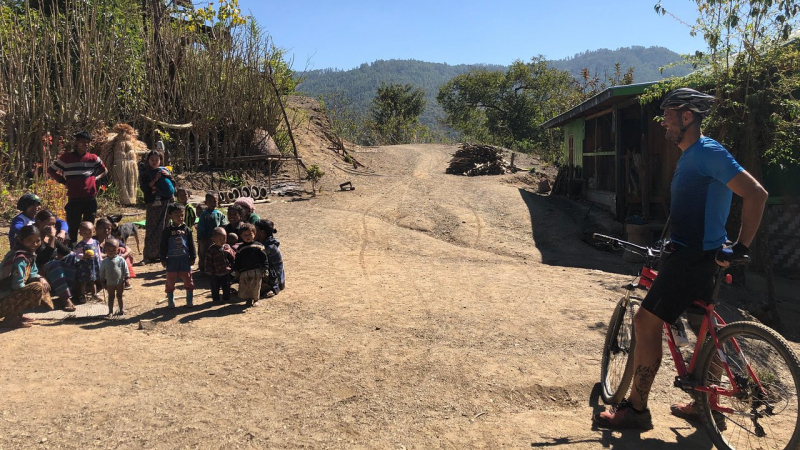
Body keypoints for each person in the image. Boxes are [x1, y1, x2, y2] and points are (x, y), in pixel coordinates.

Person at [593, 88, 769, 430]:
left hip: (694, 258)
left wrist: (742, 246)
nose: (664, 124)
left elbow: (756, 194)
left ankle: (637, 410)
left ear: (687, 117)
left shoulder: (708, 151)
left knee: (645, 323)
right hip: (691, 253)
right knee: (705, 328)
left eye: (669, 116)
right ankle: (708, 404)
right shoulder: (691, 156)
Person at [47, 130, 108, 244]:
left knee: (89, 227)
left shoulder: (93, 158)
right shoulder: (66, 158)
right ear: (76, 143)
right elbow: (51, 170)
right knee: (72, 228)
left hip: (90, 198)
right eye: (83, 142)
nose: (86, 144)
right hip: (74, 199)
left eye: (88, 142)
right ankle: (72, 252)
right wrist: (62, 181)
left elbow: (104, 170)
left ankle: (88, 249)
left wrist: (95, 178)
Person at [0, 225, 54, 328]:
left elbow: (33, 273)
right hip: (2, 300)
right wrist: (37, 294)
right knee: (36, 288)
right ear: (21, 240)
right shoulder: (20, 258)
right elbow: (17, 285)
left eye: (37, 241)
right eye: (29, 240)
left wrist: (40, 278)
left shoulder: (29, 256)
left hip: (6, 298)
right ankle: (10, 318)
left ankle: (17, 315)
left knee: (40, 283)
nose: (34, 244)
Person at [33, 210, 77, 312]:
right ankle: (65, 299)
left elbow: (68, 252)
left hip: (53, 271)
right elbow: (43, 259)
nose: (52, 227)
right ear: (40, 222)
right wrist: (52, 237)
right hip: (38, 272)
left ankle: (78, 291)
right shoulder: (34, 238)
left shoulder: (50, 238)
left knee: (75, 258)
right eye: (49, 224)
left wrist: (80, 255)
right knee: (55, 264)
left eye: (54, 224)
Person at [139, 150, 174, 264]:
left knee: (165, 227)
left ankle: (163, 253)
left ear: (160, 161)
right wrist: (155, 179)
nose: (154, 162)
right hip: (153, 203)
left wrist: (168, 176)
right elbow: (145, 188)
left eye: (157, 160)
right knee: (152, 228)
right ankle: (149, 255)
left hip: (166, 202)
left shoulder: (164, 171)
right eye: (152, 160)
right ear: (148, 160)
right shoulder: (145, 173)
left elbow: (173, 184)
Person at [160, 203, 196, 308]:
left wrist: (193, 257)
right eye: (177, 215)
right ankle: (171, 301)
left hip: (185, 260)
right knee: (170, 281)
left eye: (182, 215)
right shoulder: (167, 231)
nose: (180, 217)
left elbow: (191, 244)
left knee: (188, 280)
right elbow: (163, 245)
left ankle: (189, 301)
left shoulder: (187, 230)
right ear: (170, 216)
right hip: (172, 260)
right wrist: (163, 258)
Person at [95, 218, 135, 289]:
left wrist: (124, 254)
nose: (106, 231)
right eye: (103, 228)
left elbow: (128, 249)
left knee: (122, 250)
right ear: (96, 229)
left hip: (112, 263)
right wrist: (109, 255)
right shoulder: (93, 241)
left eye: (109, 229)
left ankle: (125, 279)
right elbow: (96, 256)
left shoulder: (111, 239)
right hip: (100, 265)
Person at [233, 223, 267, 307]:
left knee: (256, 285)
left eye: (250, 234)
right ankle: (249, 299)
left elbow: (264, 258)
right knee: (246, 285)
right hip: (244, 271)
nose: (247, 236)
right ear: (241, 236)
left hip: (256, 270)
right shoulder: (240, 248)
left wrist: (265, 267)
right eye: (245, 235)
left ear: (254, 234)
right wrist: (236, 269)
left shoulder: (259, 246)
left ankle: (256, 300)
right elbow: (237, 260)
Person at [70, 221, 102, 304]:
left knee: (93, 281)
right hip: (84, 266)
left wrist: (100, 261)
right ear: (80, 233)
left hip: (93, 265)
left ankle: (94, 294)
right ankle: (82, 295)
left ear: (93, 231)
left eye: (90, 232)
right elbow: (76, 254)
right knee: (83, 282)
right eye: (85, 233)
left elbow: (98, 253)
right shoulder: (81, 244)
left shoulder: (96, 242)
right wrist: (83, 256)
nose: (88, 234)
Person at [196, 192, 227, 274]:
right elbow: (201, 227)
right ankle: (203, 269)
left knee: (217, 254)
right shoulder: (204, 215)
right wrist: (202, 238)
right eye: (211, 201)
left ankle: (216, 269)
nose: (213, 203)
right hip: (206, 239)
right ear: (206, 203)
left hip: (217, 240)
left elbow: (223, 225)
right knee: (204, 253)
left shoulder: (220, 214)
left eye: (215, 201)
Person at [98, 238, 128, 317]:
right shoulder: (104, 262)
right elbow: (102, 273)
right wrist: (102, 281)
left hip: (119, 282)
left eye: (113, 249)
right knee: (111, 297)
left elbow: (125, 270)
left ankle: (121, 309)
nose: (111, 251)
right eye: (109, 249)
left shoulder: (121, 260)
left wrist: (126, 279)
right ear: (105, 250)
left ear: (117, 250)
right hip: (110, 283)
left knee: (119, 296)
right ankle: (110, 311)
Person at [204, 227, 236, 304]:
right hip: (215, 273)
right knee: (215, 287)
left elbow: (233, 257)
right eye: (220, 239)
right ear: (213, 239)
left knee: (226, 286)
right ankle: (216, 299)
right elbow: (207, 261)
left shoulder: (227, 247)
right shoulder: (211, 249)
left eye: (224, 239)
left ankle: (226, 298)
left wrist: (231, 254)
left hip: (225, 271)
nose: (223, 241)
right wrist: (208, 271)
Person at [255, 219, 285, 297]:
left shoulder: (269, 247)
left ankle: (273, 288)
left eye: (255, 230)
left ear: (262, 233)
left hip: (274, 277)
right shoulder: (264, 242)